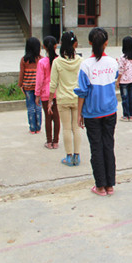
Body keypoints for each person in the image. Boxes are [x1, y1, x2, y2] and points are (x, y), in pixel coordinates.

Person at [75, 28, 118, 196]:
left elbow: (82, 92)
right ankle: (110, 185)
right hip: (110, 111)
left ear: (90, 43)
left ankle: (100, 186)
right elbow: (115, 80)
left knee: (96, 148)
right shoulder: (113, 63)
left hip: (92, 113)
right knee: (108, 146)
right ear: (106, 43)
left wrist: (79, 113)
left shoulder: (86, 65)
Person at [50, 31, 82, 166]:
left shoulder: (57, 62)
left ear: (61, 43)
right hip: (77, 98)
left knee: (67, 128)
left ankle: (68, 157)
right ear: (75, 44)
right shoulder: (80, 61)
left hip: (63, 99)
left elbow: (53, 84)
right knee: (77, 128)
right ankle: (77, 156)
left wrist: (50, 100)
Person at [36, 36, 60, 149]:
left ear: (44, 47)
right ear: (56, 46)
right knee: (56, 117)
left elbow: (39, 80)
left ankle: (49, 141)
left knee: (48, 117)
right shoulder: (59, 60)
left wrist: (37, 94)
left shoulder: (42, 62)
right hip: (58, 92)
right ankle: (56, 141)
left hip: (45, 93)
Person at [19, 37, 43, 134]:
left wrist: (20, 85)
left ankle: (32, 128)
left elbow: (22, 73)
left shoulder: (24, 60)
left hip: (27, 86)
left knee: (30, 107)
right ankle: (38, 127)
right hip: (39, 87)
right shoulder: (41, 59)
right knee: (38, 106)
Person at [117, 36, 132, 122]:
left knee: (125, 98)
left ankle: (126, 115)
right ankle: (131, 114)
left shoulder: (123, 57)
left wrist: (118, 80)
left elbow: (121, 70)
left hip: (124, 80)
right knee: (131, 97)